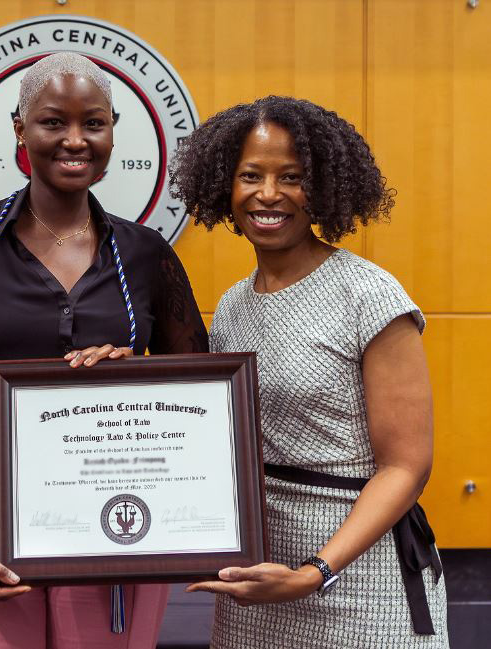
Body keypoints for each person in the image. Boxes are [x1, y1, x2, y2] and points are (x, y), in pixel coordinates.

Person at [0, 52, 208, 648]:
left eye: (93, 123)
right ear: (19, 129)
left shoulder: (146, 254)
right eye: (52, 123)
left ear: (114, 130)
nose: (76, 140)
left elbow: (194, 394)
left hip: (113, 506)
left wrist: (133, 388)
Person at [169, 95, 448, 648]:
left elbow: (406, 468)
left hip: (360, 579)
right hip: (257, 579)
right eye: (251, 175)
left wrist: (314, 572)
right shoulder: (231, 306)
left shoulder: (369, 295)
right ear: (225, 184)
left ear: (320, 188)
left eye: (291, 177)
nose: (268, 194)